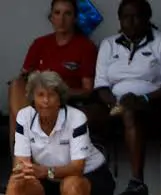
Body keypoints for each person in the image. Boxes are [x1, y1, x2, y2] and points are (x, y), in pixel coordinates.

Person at [0, 71, 116, 195]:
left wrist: (46, 172)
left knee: (71, 183)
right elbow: (21, 160)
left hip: (90, 179)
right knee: (16, 180)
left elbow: (77, 167)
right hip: (47, 179)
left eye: (51, 95)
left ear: (59, 98)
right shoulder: (25, 117)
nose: (45, 101)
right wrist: (24, 170)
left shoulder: (75, 117)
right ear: (33, 98)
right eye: (41, 95)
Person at [86, 0, 161, 195]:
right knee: (84, 116)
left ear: (147, 19)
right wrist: (114, 104)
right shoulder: (109, 44)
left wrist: (143, 98)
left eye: (136, 16)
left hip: (154, 107)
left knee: (131, 112)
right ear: (119, 20)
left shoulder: (160, 42)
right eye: (126, 17)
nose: (131, 21)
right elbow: (101, 85)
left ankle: (137, 183)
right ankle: (89, 179)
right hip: (116, 104)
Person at [8, 0, 98, 157]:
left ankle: (22, 152)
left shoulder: (85, 46)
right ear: (51, 17)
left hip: (63, 100)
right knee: (16, 85)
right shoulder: (40, 43)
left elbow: (87, 90)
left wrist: (60, 91)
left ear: (75, 18)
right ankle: (22, 150)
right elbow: (24, 76)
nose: (61, 19)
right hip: (36, 99)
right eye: (57, 13)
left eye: (67, 14)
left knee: (28, 104)